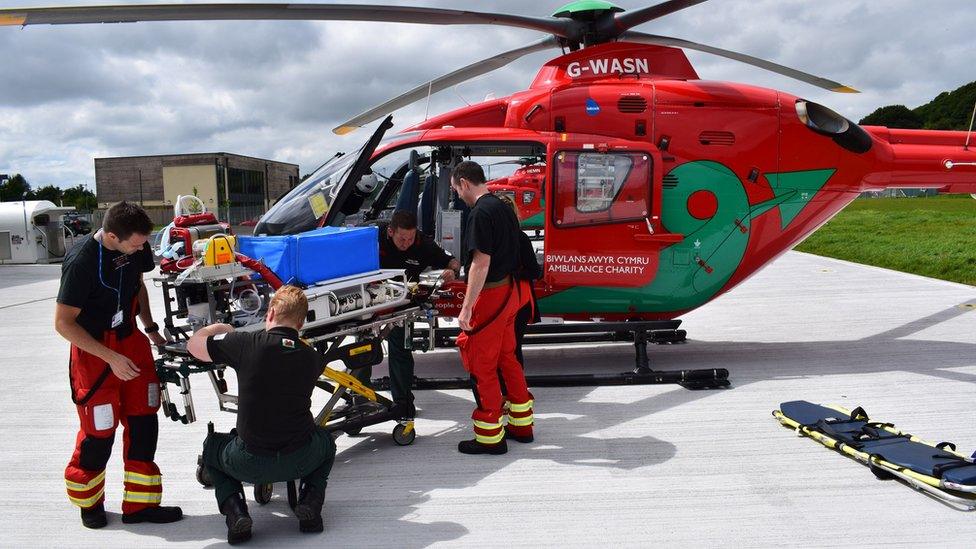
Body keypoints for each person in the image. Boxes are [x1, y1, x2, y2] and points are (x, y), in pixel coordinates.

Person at [55, 201, 183, 529]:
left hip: (131, 338)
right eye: (137, 244)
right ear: (112, 236)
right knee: (99, 431)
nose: (144, 249)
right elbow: (64, 324)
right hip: (95, 351)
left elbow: (137, 285)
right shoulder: (81, 262)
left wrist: (151, 330)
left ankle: (140, 507)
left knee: (144, 423)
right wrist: (110, 358)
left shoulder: (135, 246)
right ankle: (90, 504)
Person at [187, 285, 336, 545]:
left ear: (271, 312)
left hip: (248, 461)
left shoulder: (245, 344)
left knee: (212, 447)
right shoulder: (312, 358)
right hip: (301, 457)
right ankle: (311, 504)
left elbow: (194, 346)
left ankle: (236, 513)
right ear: (301, 322)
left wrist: (221, 328)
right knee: (327, 442)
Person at [450, 161, 535, 455]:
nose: (458, 195)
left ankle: (490, 438)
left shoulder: (481, 213)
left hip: (493, 295)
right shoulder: (502, 207)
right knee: (507, 358)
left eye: (456, 189)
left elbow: (480, 263)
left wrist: (466, 307)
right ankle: (522, 426)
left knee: (481, 364)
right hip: (512, 293)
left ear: (463, 182)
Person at [351, 210, 460, 419]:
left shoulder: (422, 243)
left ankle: (403, 402)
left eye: (410, 238)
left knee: (400, 349)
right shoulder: (370, 235)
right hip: (367, 301)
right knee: (362, 348)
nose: (406, 243)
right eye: (402, 238)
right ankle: (359, 400)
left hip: (401, 302)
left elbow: (452, 261)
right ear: (390, 232)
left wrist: (451, 272)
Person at [495, 194, 542, 368]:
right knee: (507, 349)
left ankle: (513, 391)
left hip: (517, 300)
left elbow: (534, 271)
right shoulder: (497, 238)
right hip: (506, 301)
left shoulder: (520, 238)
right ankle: (512, 390)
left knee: (512, 348)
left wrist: (510, 274)